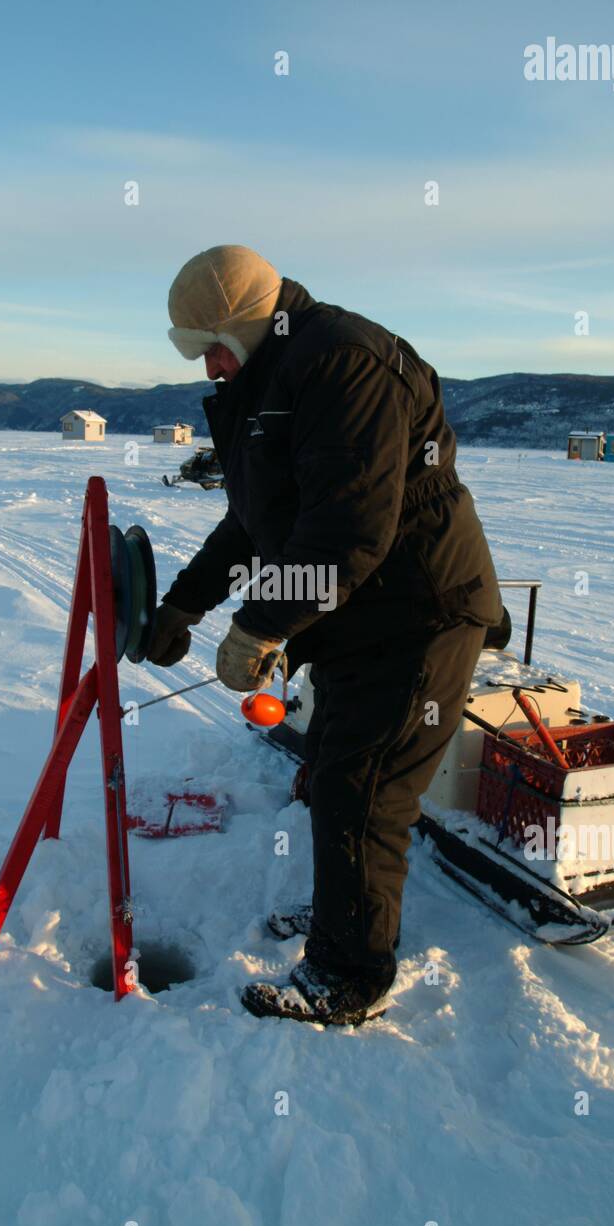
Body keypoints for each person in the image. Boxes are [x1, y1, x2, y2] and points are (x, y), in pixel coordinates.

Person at [149, 245, 503, 1025]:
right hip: (357, 621)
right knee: (338, 775)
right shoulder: (271, 377)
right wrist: (185, 603)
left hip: (416, 614)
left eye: (209, 346)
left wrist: (257, 626)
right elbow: (255, 518)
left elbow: (345, 534)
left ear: (241, 328)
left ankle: (347, 977)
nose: (205, 367)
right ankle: (348, 916)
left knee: (362, 792)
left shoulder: (342, 363)